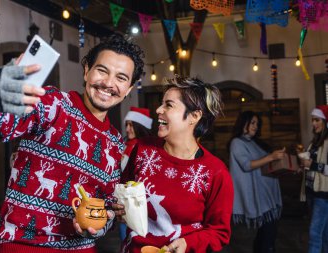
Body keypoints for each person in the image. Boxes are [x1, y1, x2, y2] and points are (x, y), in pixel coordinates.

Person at [0, 34, 144, 253]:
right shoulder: (53, 105)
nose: (109, 83)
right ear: (86, 71)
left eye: (121, 78)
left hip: (82, 248)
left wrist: (99, 226)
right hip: (23, 245)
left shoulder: (116, 143)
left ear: (128, 89)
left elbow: (106, 205)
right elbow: (0, 126)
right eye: (102, 70)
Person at [114, 76, 234, 253]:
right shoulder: (142, 149)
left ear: (194, 116)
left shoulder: (216, 172)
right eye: (162, 103)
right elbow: (122, 191)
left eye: (168, 105)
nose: (158, 109)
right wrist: (118, 208)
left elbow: (219, 231)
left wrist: (188, 243)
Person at [228, 111, 285, 253]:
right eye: (252, 123)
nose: (255, 126)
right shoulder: (237, 143)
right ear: (243, 123)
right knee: (266, 237)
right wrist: (271, 157)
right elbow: (247, 165)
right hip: (258, 198)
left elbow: (265, 165)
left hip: (267, 197)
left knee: (266, 236)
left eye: (257, 124)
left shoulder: (255, 142)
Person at [118, 106, 153, 241]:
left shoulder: (145, 148)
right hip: (123, 199)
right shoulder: (125, 145)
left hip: (138, 202)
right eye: (127, 125)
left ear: (140, 126)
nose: (127, 129)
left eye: (131, 125)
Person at [299, 105, 328, 253]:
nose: (313, 123)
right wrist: (303, 165)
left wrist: (313, 165)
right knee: (323, 234)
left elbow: (318, 166)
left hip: (323, 195)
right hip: (312, 192)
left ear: (325, 121)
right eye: (312, 120)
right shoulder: (314, 142)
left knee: (314, 233)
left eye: (316, 120)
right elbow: (311, 166)